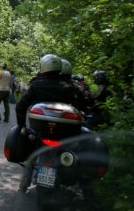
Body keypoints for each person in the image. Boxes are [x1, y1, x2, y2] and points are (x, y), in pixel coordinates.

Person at [16, 54, 84, 193]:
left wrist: (21, 125)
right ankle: (73, 182)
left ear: (43, 67)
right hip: (63, 132)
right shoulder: (68, 86)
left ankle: (25, 181)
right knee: (72, 149)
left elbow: (20, 107)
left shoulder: (36, 84)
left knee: (33, 152)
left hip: (40, 130)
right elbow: (78, 108)